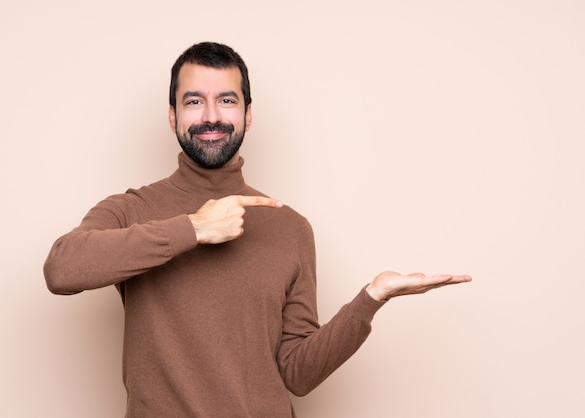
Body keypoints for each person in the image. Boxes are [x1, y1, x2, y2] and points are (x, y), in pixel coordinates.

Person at [44, 41, 471, 418]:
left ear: (248, 114)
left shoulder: (291, 228)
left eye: (226, 101)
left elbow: (297, 374)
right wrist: (193, 228)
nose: (211, 116)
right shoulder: (131, 209)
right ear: (172, 116)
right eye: (194, 102)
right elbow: (62, 270)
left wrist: (370, 301)